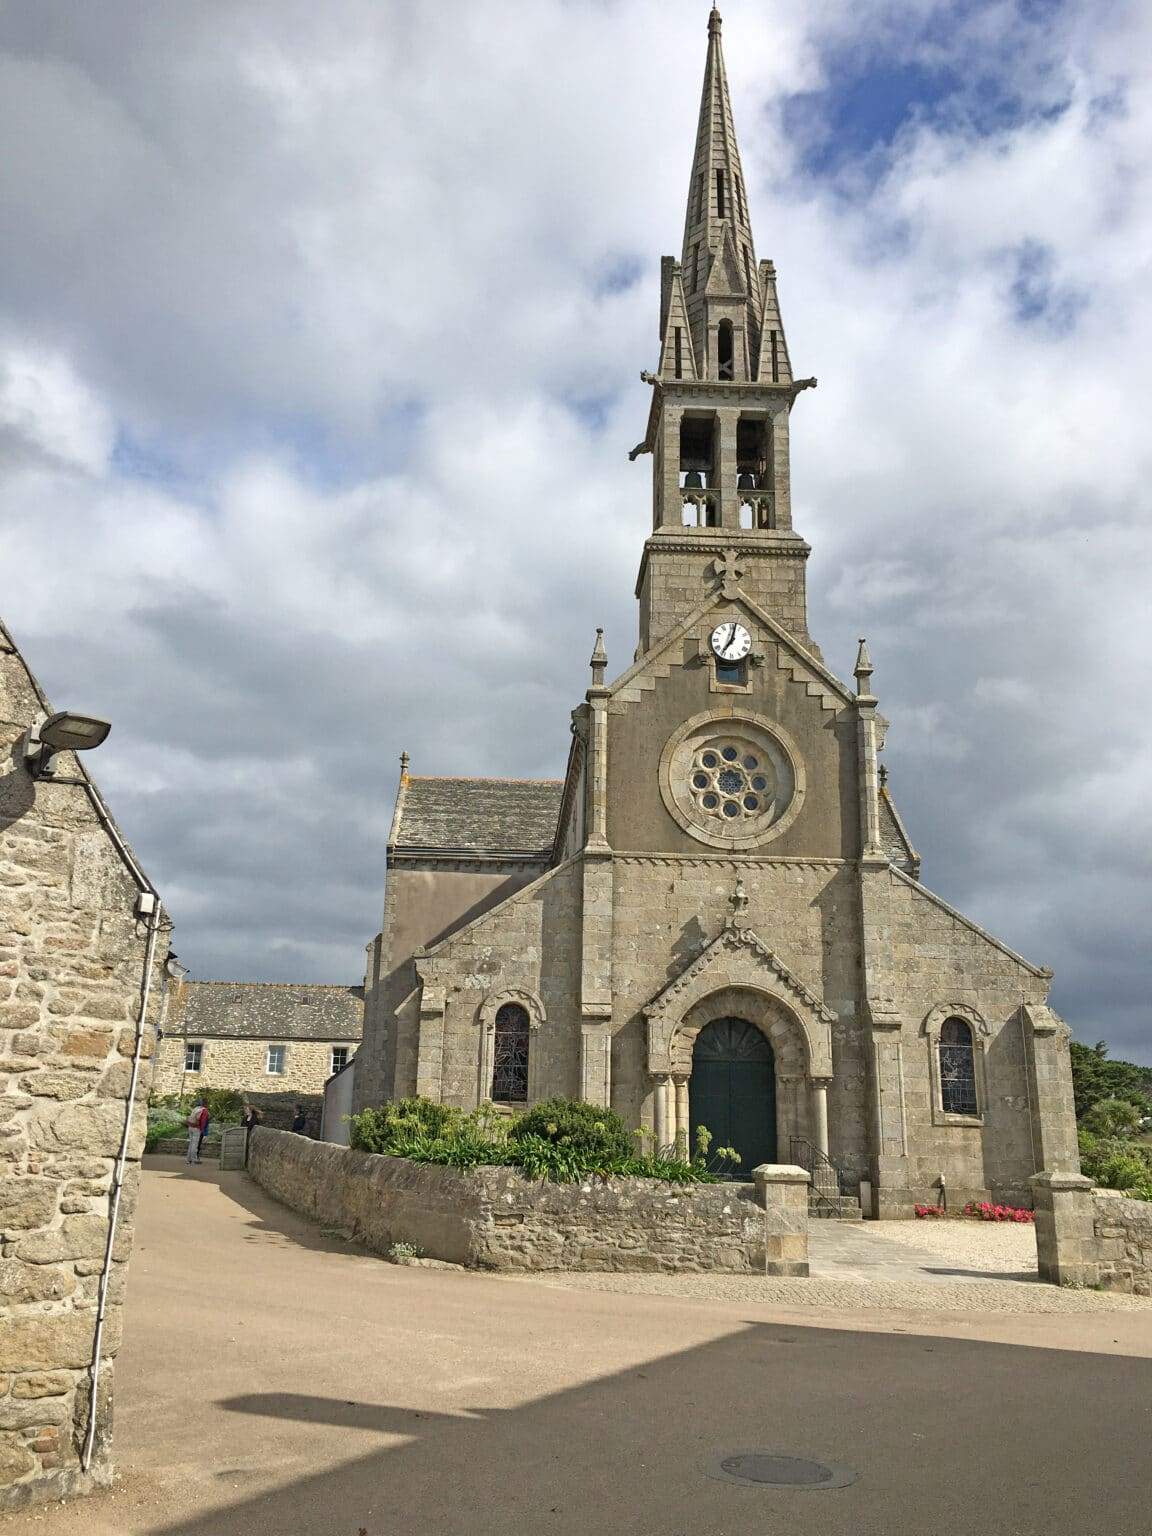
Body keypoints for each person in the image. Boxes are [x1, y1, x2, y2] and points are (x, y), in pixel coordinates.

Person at [186, 1099, 207, 1164]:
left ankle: (188, 1159)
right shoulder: (204, 1110)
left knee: (191, 1143)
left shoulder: (196, 1108)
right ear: (205, 1104)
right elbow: (203, 1121)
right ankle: (194, 1159)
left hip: (190, 1127)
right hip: (196, 1128)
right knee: (195, 1144)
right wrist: (202, 1130)